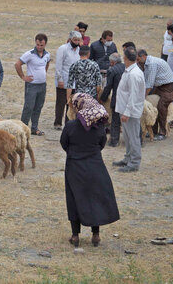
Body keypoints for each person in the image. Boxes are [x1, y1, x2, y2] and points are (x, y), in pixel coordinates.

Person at [60, 93, 119, 248]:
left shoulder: (71, 126)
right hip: (95, 166)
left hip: (74, 167)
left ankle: (75, 235)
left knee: (74, 199)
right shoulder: (98, 127)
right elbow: (101, 144)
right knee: (95, 199)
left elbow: (63, 143)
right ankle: (95, 235)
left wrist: (75, 153)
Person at [112, 47, 146, 172]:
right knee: (127, 136)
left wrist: (127, 112)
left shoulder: (134, 74)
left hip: (130, 111)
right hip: (125, 109)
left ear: (125, 59)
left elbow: (133, 95)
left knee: (133, 137)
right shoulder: (130, 71)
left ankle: (134, 162)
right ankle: (128, 158)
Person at [136, 49, 173, 141]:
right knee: (152, 106)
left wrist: (143, 98)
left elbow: (149, 84)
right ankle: (153, 131)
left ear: (143, 56)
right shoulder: (144, 63)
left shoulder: (152, 64)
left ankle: (162, 132)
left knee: (161, 107)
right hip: (159, 86)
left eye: (138, 59)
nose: (137, 62)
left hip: (168, 86)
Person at [16, 33, 50, 136]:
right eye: (38, 45)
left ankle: (34, 128)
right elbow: (18, 64)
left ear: (45, 44)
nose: (39, 47)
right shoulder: (29, 54)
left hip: (42, 85)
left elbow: (47, 62)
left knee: (38, 106)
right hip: (32, 85)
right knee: (28, 107)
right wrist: (23, 77)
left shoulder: (47, 54)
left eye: (41, 45)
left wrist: (43, 73)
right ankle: (23, 127)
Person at [54, 31, 81, 130]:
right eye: (75, 40)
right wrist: (59, 79)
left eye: (78, 40)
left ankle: (68, 122)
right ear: (70, 39)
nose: (77, 42)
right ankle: (57, 123)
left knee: (71, 104)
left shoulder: (79, 50)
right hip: (64, 80)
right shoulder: (63, 49)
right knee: (61, 103)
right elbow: (58, 65)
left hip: (74, 82)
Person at [100, 52, 126, 146]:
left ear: (112, 62)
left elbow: (108, 87)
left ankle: (114, 141)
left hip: (117, 98)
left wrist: (103, 98)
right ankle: (138, 141)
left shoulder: (112, 70)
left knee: (115, 120)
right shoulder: (126, 67)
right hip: (128, 98)